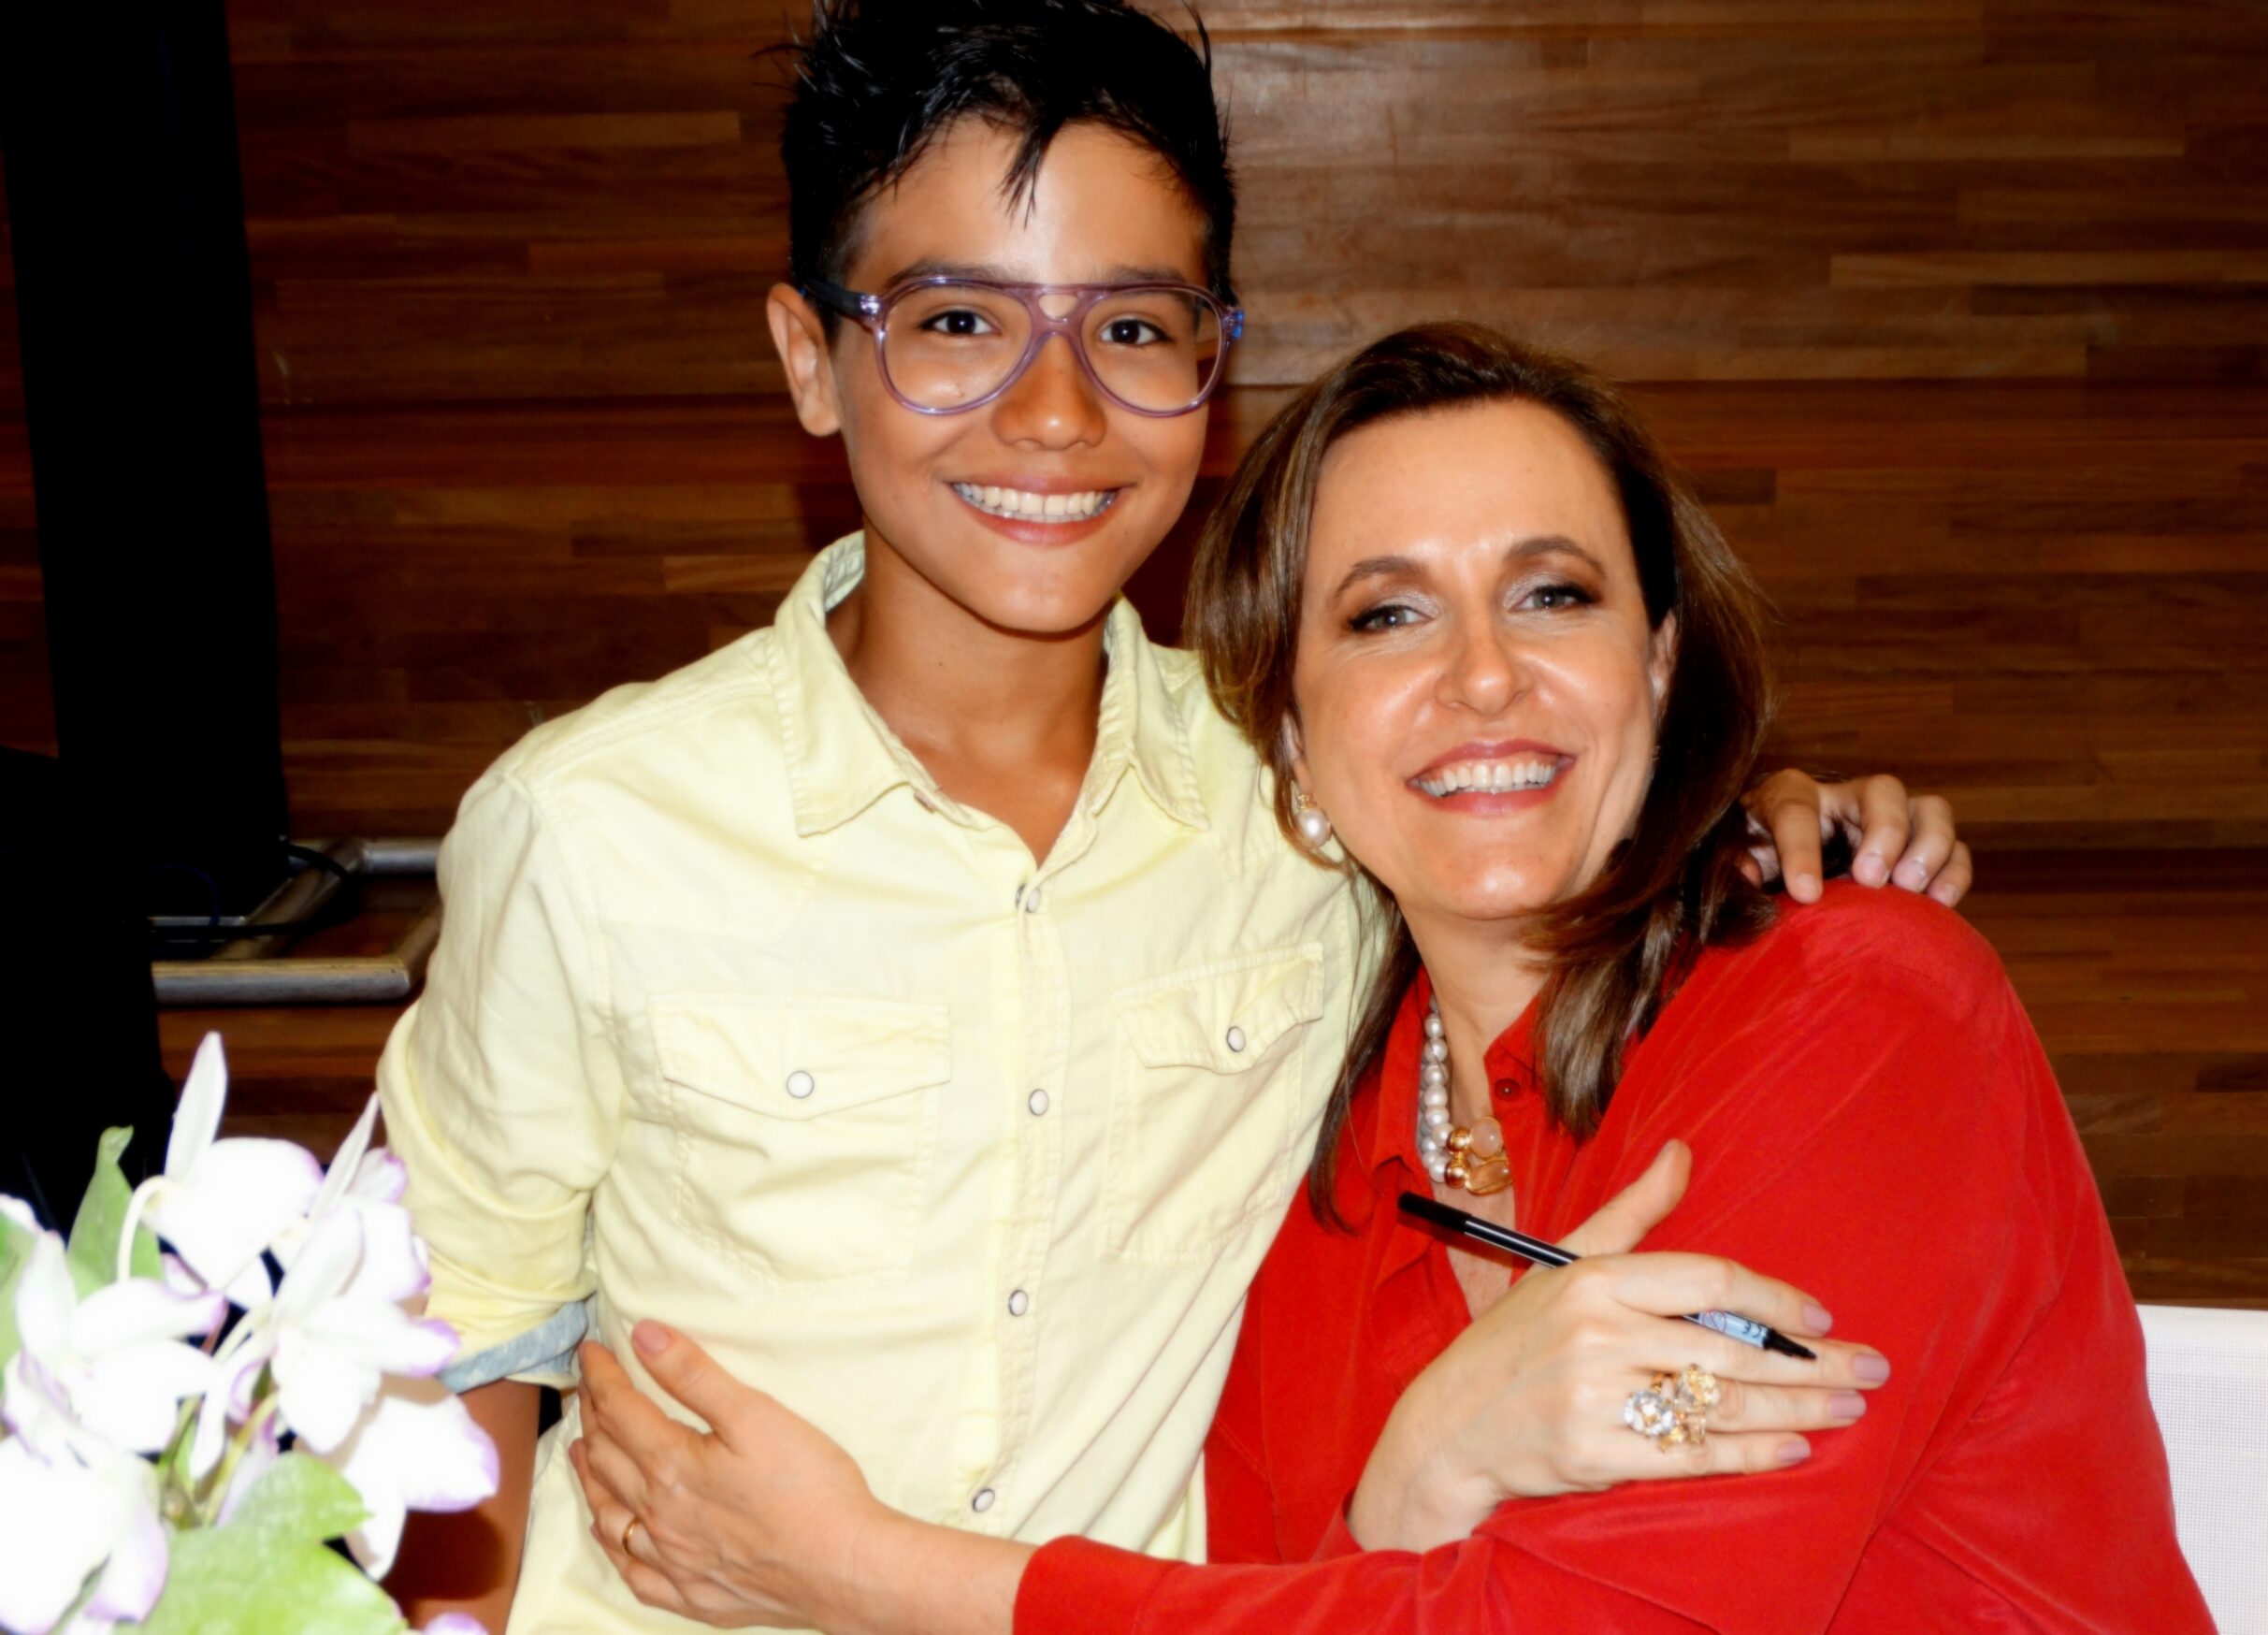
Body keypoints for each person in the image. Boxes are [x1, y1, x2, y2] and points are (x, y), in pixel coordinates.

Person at [380, 7, 1971, 1629]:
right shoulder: (588, 830)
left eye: (1134, 329)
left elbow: (1528, 811)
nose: (1055, 413)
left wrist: (1752, 818)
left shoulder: (1300, 792)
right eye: (955, 321)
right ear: (811, 357)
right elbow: (452, 1343)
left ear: (1212, 367)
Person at [567, 324, 2211, 1634]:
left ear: (1656, 665)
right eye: (1386, 616)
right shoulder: (1328, 1191)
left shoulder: (1859, 1005)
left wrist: (866, 1571)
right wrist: (1419, 1473)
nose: (1485, 677)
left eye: (1552, 595)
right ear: (1290, 736)